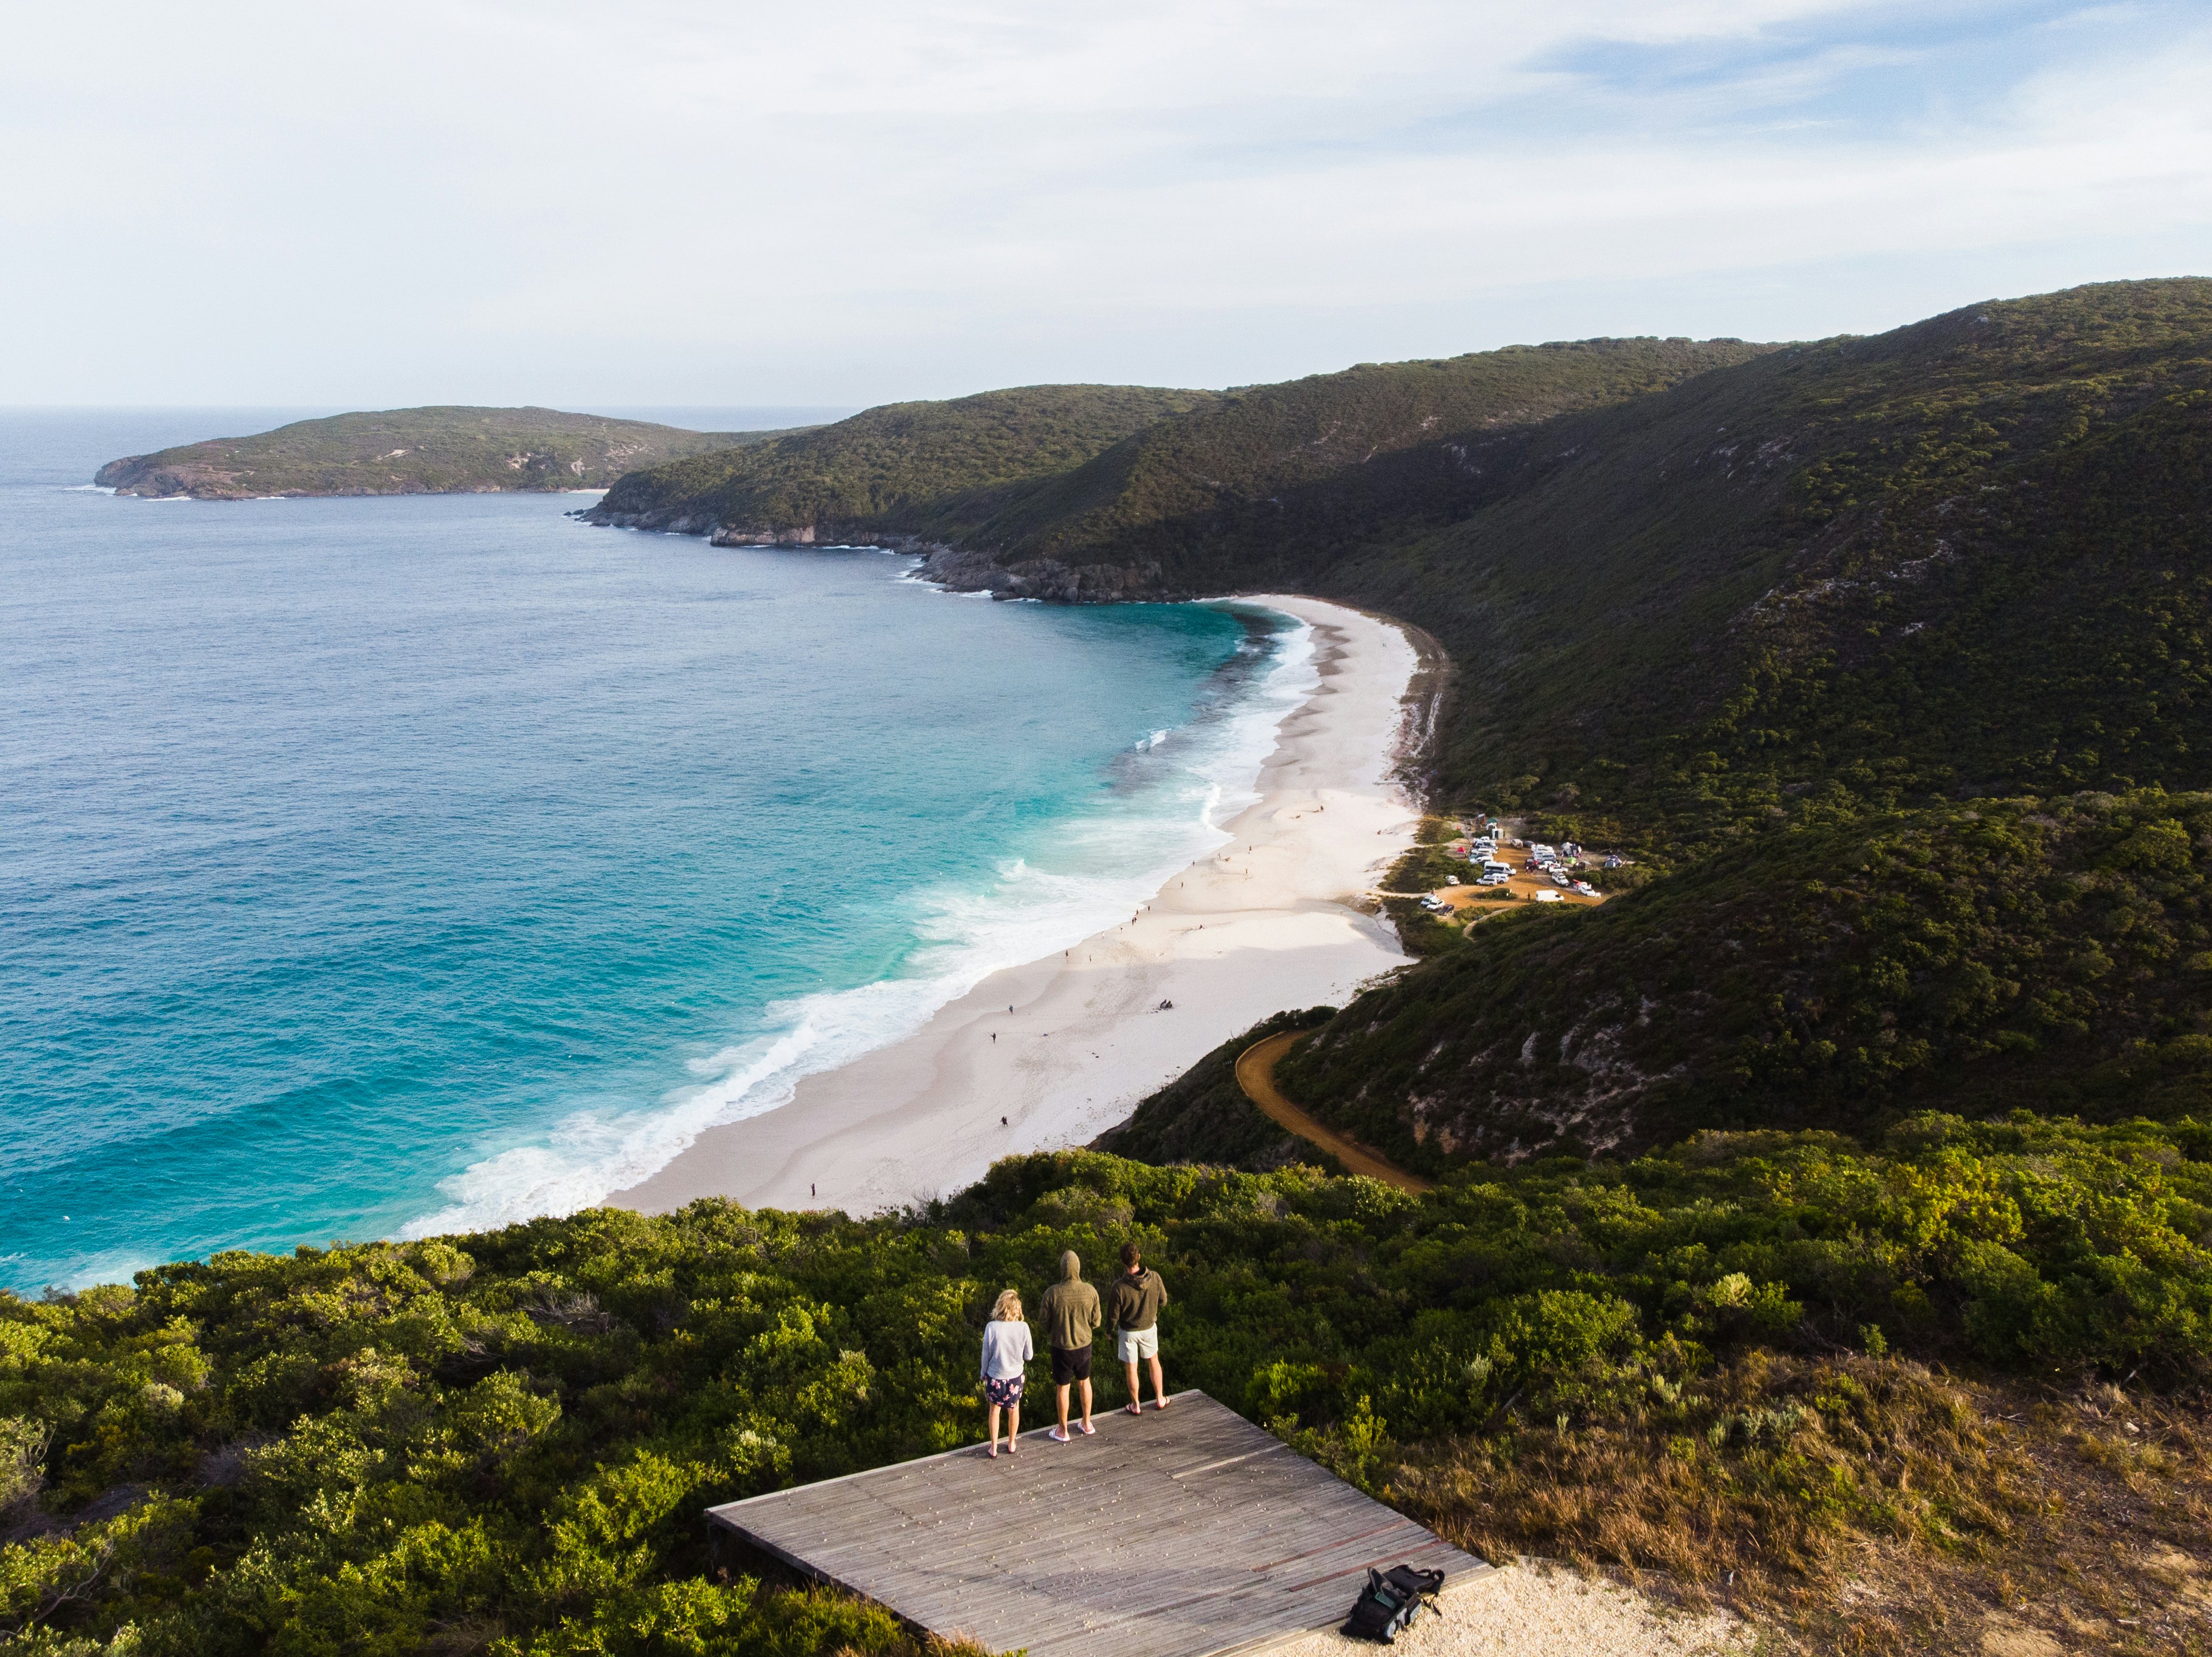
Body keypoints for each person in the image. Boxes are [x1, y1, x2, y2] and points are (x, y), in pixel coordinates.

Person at [1036, 1249, 1101, 1441]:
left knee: (1063, 1388)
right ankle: (1087, 1423)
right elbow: (1096, 1322)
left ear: (1062, 1269)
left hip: (1061, 1347)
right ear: (1078, 1267)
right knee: (1085, 1382)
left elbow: (1043, 1321)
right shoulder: (1090, 1291)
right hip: (1084, 1346)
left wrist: (1054, 1331)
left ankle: (1063, 1431)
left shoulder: (1052, 1293)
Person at [1109, 1240, 1169, 1413]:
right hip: (1149, 1328)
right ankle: (1160, 1398)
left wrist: (1108, 1331)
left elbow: (1113, 1316)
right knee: (1154, 1361)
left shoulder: (1119, 1287)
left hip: (1128, 1332)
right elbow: (1163, 1301)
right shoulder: (1155, 1278)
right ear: (1139, 1258)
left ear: (1123, 1261)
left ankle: (1136, 1405)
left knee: (1131, 1368)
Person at [979, 1288, 1033, 1458]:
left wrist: (983, 1374)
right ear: (1017, 1308)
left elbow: (985, 1355)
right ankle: (1011, 1443)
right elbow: (1029, 1356)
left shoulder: (991, 1327)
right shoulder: (1023, 1327)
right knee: (1014, 1409)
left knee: (994, 1411)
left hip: (995, 1376)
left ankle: (994, 1447)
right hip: (1015, 1378)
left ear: (1000, 1307)